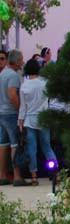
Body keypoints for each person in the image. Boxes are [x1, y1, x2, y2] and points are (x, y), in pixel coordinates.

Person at [18, 58, 57, 186]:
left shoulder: (24, 85)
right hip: (44, 118)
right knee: (47, 146)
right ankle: (55, 173)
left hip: (29, 119)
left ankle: (34, 177)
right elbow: (50, 99)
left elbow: (23, 107)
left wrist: (20, 121)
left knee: (32, 149)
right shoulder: (45, 83)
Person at [0, 50, 23, 186]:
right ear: (17, 61)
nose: (22, 62)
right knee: (15, 144)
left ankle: (2, 175)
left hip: (1, 112)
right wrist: (20, 109)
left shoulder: (2, 74)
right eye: (21, 60)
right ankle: (17, 176)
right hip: (10, 113)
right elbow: (12, 95)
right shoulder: (13, 75)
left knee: (3, 144)